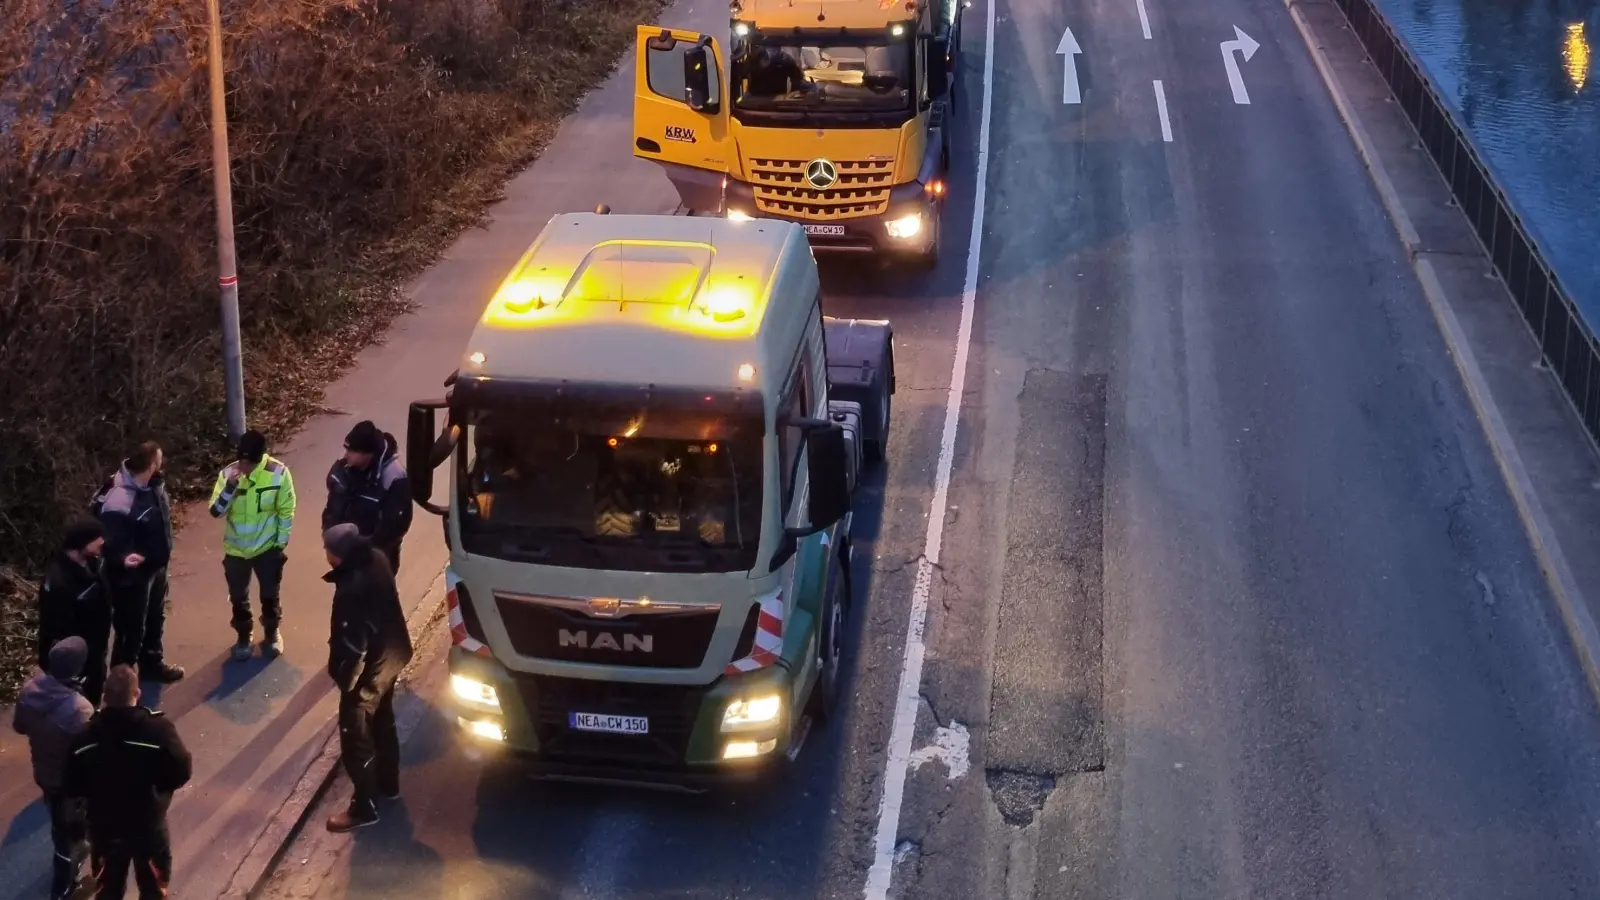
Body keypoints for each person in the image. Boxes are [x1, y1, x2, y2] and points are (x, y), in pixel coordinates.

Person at [63, 665, 191, 900]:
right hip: (147, 825)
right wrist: (160, 791)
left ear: (104, 696)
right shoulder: (159, 731)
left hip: (104, 828)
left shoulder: (84, 739)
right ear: (137, 694)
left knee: (108, 890)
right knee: (153, 887)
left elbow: (72, 784)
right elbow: (181, 770)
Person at [322, 524, 413, 832]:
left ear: (337, 555)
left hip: (370, 667)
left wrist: (345, 681)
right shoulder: (377, 558)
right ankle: (389, 785)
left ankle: (364, 806)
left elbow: (351, 643)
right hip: (394, 652)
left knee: (355, 732)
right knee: (383, 719)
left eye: (327, 551)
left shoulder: (352, 588)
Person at [14, 637, 95, 900]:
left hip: (44, 775)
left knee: (60, 824)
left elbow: (19, 727)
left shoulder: (28, 691)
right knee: (70, 833)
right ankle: (62, 889)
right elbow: (90, 755)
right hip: (72, 785)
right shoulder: (80, 710)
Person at [96, 442, 183, 683]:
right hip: (131, 579)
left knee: (155, 618)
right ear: (151, 464)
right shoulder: (118, 498)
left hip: (155, 568)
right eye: (159, 459)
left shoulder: (153, 485)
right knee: (130, 630)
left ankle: (152, 664)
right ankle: (120, 685)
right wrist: (123, 558)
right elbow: (104, 540)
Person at [208, 429, 297, 661]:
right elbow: (215, 512)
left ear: (260, 459)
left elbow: (286, 510)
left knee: (270, 595)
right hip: (236, 551)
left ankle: (271, 632)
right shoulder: (228, 475)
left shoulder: (278, 474)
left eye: (249, 462)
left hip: (267, 549)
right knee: (238, 596)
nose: (244, 466)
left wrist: (279, 544)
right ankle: (243, 635)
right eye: (242, 460)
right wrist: (229, 489)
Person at [38, 520, 114, 704]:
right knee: (75, 704)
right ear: (83, 543)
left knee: (95, 691)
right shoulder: (58, 581)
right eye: (97, 540)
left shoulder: (93, 563)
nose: (102, 542)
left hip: (95, 649)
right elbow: (55, 624)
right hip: (76, 656)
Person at [322, 420, 412, 574]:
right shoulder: (344, 470)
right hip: (346, 555)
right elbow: (333, 505)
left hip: (377, 558)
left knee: (377, 596)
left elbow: (396, 525)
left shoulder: (394, 477)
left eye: (351, 451)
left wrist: (366, 550)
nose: (346, 455)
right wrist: (330, 537)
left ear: (366, 453)